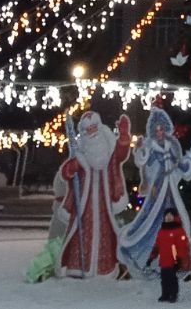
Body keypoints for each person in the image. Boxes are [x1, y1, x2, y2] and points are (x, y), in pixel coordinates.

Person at [117, 108, 191, 279]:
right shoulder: (151, 147)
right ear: (152, 131)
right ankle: (146, 258)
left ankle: (176, 260)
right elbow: (143, 161)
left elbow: (181, 165)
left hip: (170, 190)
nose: (159, 133)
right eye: (156, 130)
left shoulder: (173, 144)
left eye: (162, 129)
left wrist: (188, 161)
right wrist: (140, 150)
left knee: (175, 222)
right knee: (151, 221)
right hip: (157, 190)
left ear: (166, 129)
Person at [57, 111, 131, 277]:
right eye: (88, 130)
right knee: (81, 234)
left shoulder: (108, 149)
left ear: (99, 127)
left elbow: (120, 154)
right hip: (84, 204)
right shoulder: (81, 153)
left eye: (94, 128)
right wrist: (72, 168)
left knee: (104, 236)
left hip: (104, 204)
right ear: (83, 133)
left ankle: (104, 269)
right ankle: (77, 268)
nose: (92, 133)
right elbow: (66, 173)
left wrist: (124, 137)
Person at [146, 208, 191, 303]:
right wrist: (151, 258)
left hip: (174, 260)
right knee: (164, 279)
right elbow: (157, 246)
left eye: (170, 215)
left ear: (175, 217)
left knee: (172, 279)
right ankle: (165, 294)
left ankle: (173, 295)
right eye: (166, 215)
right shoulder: (162, 230)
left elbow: (182, 246)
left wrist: (179, 259)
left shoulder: (179, 230)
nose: (168, 217)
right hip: (164, 261)